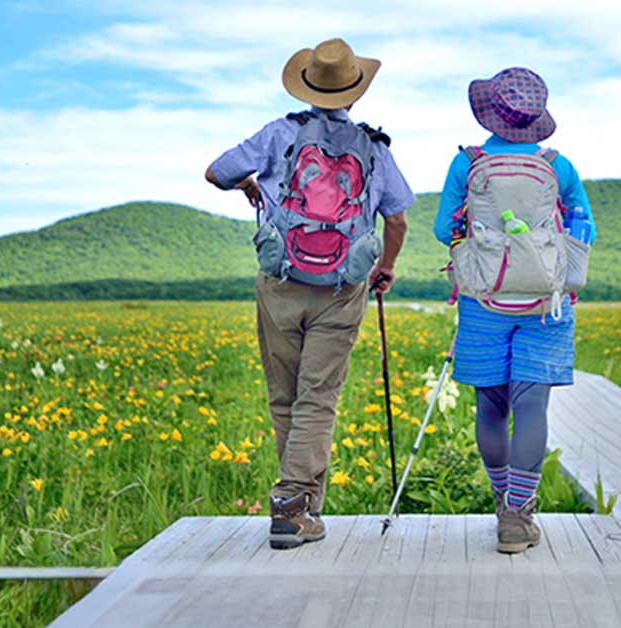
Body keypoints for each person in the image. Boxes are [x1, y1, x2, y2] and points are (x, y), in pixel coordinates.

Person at [205, 38, 414, 549]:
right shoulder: (374, 146)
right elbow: (398, 218)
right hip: (343, 289)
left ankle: (296, 507)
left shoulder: (280, 132)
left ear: (308, 86)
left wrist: (249, 186)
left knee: (286, 396)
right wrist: (385, 267)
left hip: (279, 281)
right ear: (354, 92)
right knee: (317, 397)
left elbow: (217, 171)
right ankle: (295, 506)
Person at [433, 67, 596, 554]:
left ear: (490, 113)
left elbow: (445, 229)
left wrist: (481, 242)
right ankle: (519, 516)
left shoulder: (468, 162)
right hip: (546, 301)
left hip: (483, 300)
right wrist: (554, 255)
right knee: (531, 405)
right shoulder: (557, 164)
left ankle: (502, 500)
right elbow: (585, 222)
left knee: (492, 406)